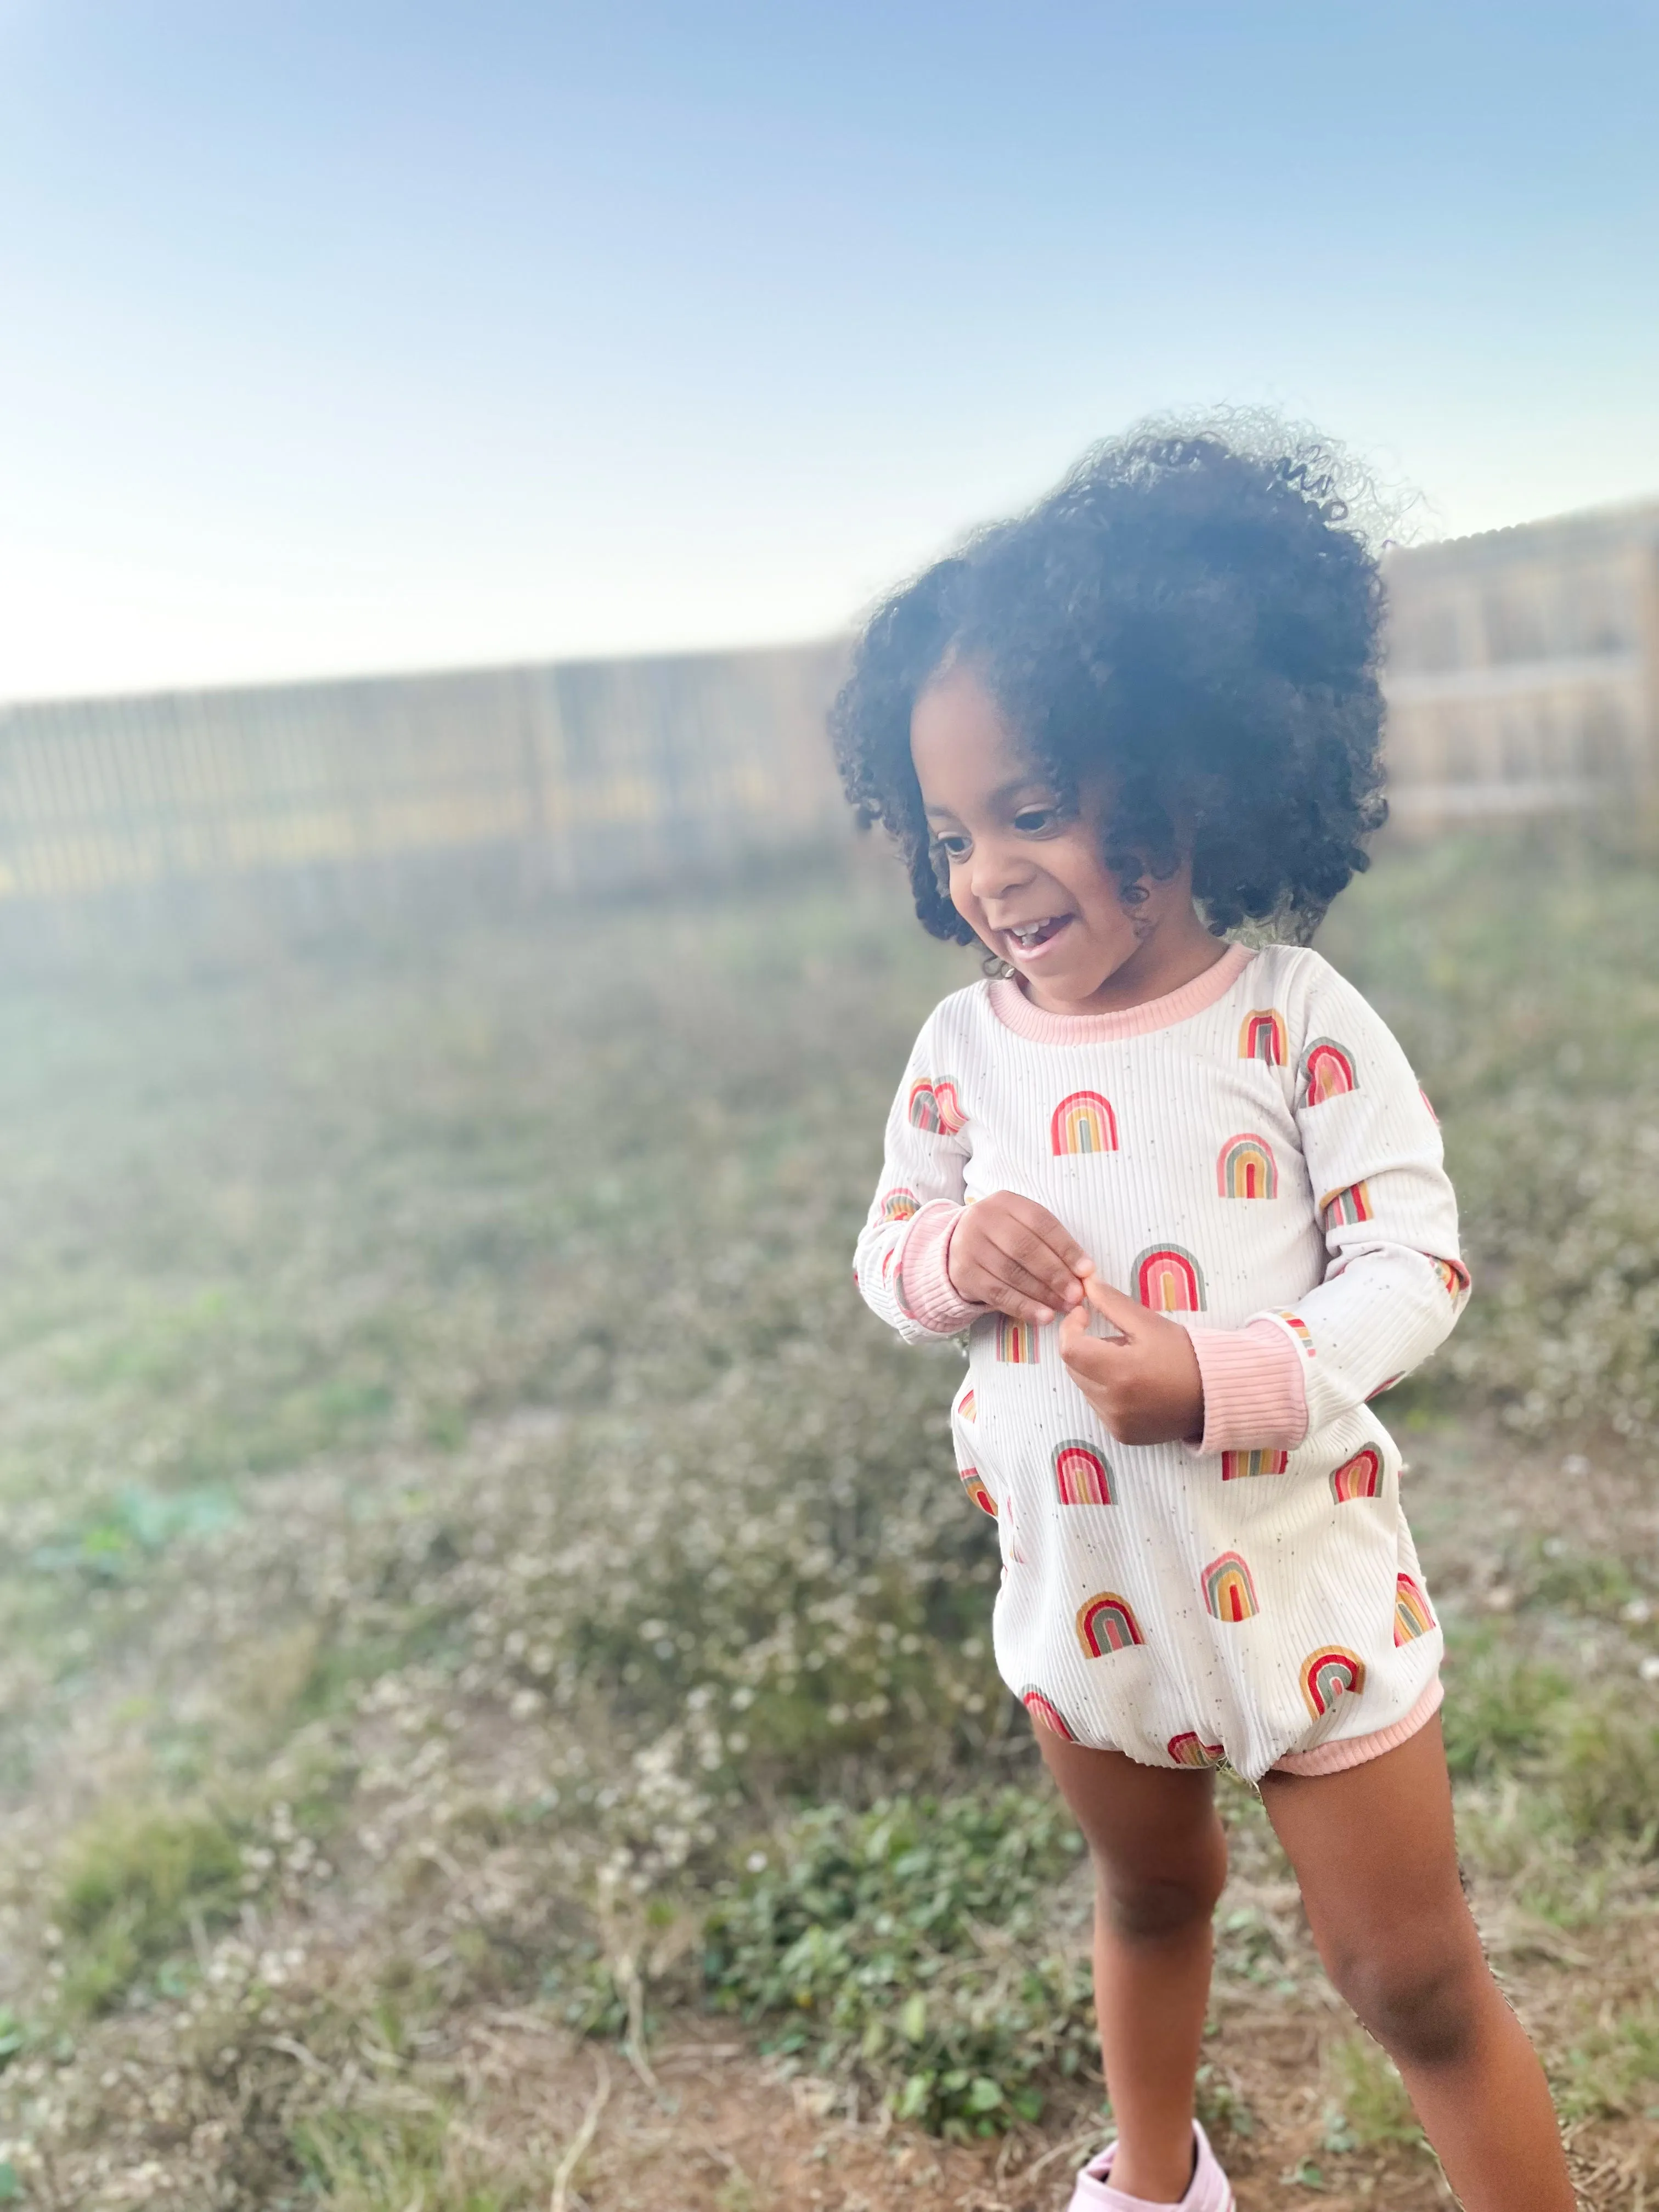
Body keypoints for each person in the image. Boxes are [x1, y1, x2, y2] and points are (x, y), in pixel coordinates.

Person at [835, 426, 1573, 2212]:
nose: (991, 876)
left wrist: (1225, 1374)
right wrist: (959, 1257)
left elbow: (1419, 1261)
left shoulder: (1294, 1019)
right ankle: (1154, 2181)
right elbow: (888, 1254)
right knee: (1149, 1897)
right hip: (1083, 1589)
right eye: (953, 834)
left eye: (1035, 811)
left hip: (1300, 1578)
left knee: (1407, 1973)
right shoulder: (962, 1052)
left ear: (1183, 784)